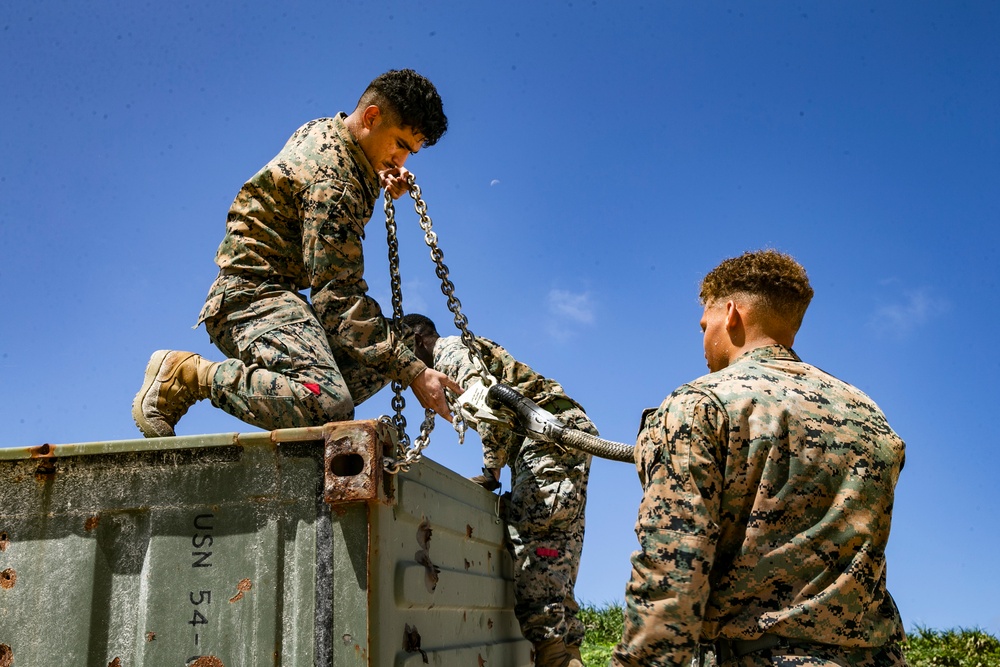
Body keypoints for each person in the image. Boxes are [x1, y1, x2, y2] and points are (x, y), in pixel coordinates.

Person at [612, 249, 908, 667]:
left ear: (731, 313)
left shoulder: (701, 404)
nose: (702, 341)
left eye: (704, 325)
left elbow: (673, 570)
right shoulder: (867, 414)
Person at [132, 69, 460, 438]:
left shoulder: (326, 129)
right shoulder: (334, 186)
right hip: (249, 299)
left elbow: (331, 175)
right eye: (399, 144)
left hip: (278, 295)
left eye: (409, 153)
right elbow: (337, 301)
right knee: (327, 403)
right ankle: (190, 375)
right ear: (371, 117)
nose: (401, 161)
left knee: (408, 337)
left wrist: (376, 176)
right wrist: (415, 373)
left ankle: (306, 402)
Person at [401, 313, 593, 667]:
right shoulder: (463, 350)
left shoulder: (449, 355)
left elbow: (491, 405)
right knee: (556, 556)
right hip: (560, 437)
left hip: (547, 439)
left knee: (536, 553)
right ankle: (571, 654)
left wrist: (491, 471)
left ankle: (556, 658)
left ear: (415, 342)